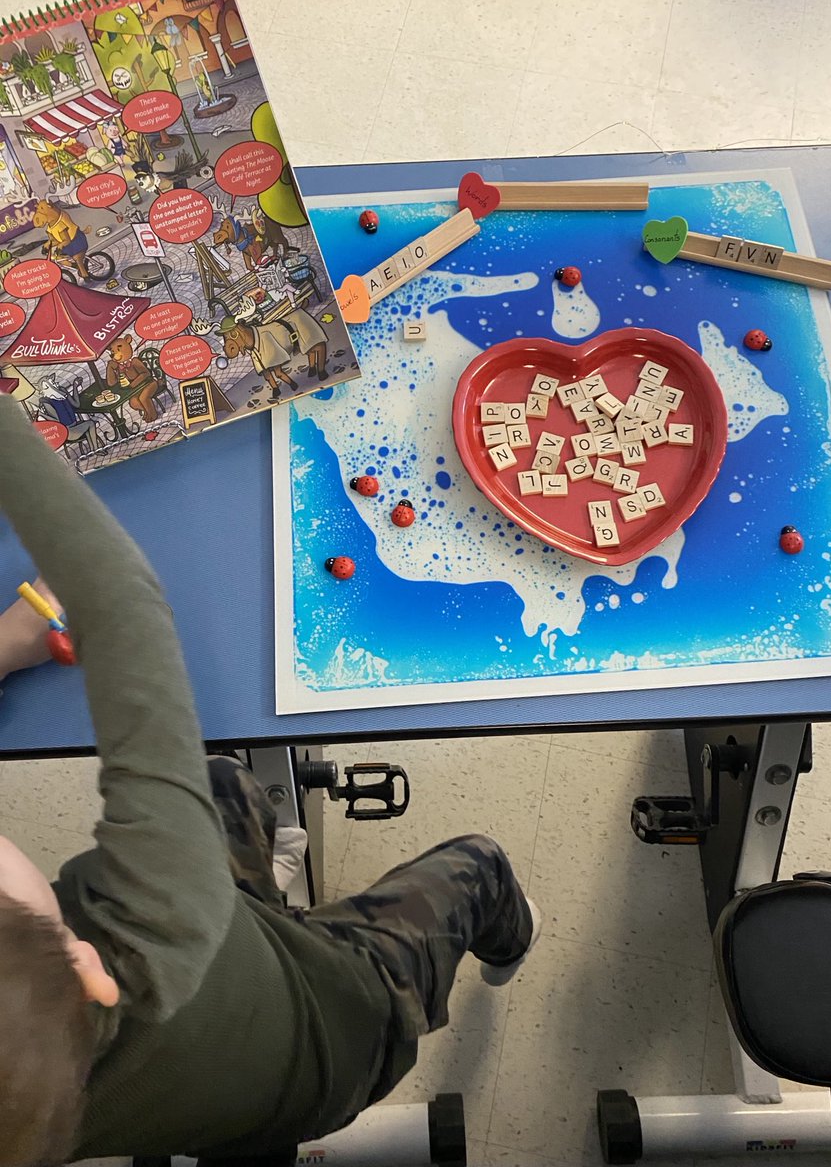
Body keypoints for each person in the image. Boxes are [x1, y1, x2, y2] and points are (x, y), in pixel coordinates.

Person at [0, 392, 540, 1165]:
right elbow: (121, 602)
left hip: (198, 1074)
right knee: (479, 867)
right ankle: (509, 941)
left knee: (222, 786)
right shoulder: (150, 919)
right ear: (84, 965)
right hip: (337, 1031)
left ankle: (262, 896)